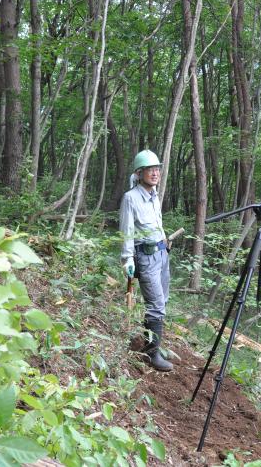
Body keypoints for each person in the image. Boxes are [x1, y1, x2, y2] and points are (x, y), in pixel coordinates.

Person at [119, 149, 173, 372]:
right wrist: (127, 258)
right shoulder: (131, 198)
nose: (155, 173)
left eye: (157, 169)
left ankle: (153, 345)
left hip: (162, 254)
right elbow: (127, 230)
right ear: (139, 173)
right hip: (146, 256)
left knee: (163, 300)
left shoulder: (154, 196)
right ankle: (152, 354)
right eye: (150, 169)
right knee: (156, 305)